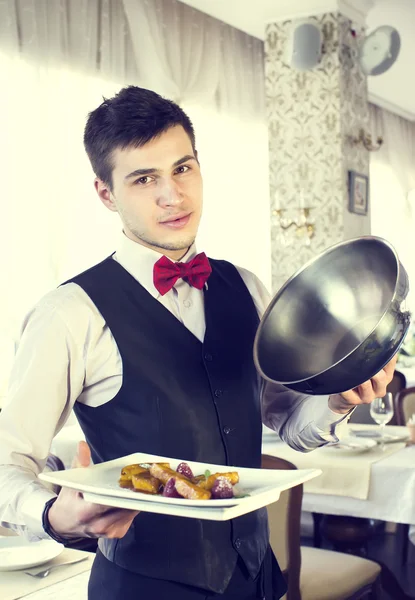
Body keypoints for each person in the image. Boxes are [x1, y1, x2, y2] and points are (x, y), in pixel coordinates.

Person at [0, 86, 396, 599]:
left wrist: (337, 402)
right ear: (105, 193)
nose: (173, 195)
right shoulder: (70, 313)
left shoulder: (249, 288)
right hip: (143, 587)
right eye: (144, 179)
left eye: (182, 169)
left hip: (258, 579)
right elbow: (8, 460)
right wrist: (53, 514)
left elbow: (290, 426)